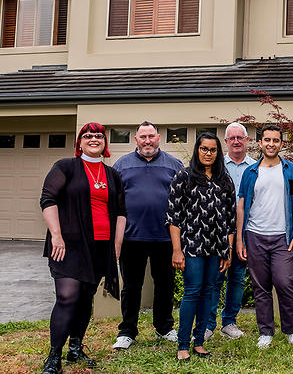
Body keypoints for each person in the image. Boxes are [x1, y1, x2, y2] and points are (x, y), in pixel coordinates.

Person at [39, 122, 126, 374]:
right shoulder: (65, 167)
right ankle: (54, 356)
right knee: (67, 297)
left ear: (105, 143)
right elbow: (48, 199)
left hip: (100, 246)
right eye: (88, 136)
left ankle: (75, 348)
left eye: (99, 136)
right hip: (68, 245)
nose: (94, 139)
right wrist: (56, 235)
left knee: (86, 297)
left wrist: (116, 246)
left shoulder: (113, 175)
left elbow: (121, 212)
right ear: (80, 142)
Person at [112, 121, 183, 350]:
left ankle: (164, 327)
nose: (147, 141)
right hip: (132, 238)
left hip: (165, 238)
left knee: (165, 285)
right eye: (143, 137)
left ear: (159, 137)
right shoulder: (121, 165)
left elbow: (183, 203)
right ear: (136, 140)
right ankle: (127, 331)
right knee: (131, 287)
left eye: (151, 136)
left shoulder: (175, 165)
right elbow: (113, 205)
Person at [236, 124, 293, 349]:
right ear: (260, 143)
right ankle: (265, 331)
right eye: (267, 140)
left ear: (281, 144)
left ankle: (291, 331)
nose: (271, 144)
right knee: (261, 286)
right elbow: (241, 206)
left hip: (282, 237)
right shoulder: (250, 172)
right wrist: (239, 238)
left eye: (275, 140)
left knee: (284, 282)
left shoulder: (292, 170)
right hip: (255, 235)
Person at [165, 132, 235, 361]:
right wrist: (177, 250)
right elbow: (173, 218)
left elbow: (231, 219)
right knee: (192, 292)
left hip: (217, 247)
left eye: (212, 150)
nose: (208, 153)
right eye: (204, 149)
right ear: (197, 150)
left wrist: (228, 250)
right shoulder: (183, 177)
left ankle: (199, 342)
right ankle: (183, 344)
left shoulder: (225, 180)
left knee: (209, 293)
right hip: (192, 246)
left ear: (218, 152)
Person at [205, 122, 255, 341]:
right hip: (217, 231)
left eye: (240, 137)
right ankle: (208, 324)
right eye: (231, 138)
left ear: (247, 140)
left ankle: (229, 322)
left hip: (245, 231)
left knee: (237, 277)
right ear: (225, 142)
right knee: (215, 278)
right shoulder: (215, 166)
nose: (236, 141)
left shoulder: (255, 167)